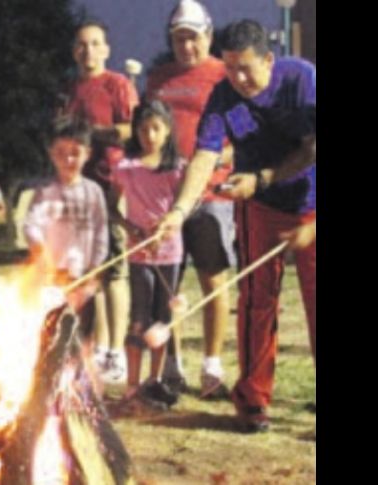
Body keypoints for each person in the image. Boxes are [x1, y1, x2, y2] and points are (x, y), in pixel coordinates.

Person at [155, 19, 316, 432]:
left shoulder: (301, 79)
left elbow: (313, 147)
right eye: (229, 67)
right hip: (259, 207)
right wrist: (177, 213)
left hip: (310, 203)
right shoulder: (224, 97)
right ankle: (252, 401)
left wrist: (263, 177)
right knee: (256, 301)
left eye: (245, 67)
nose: (238, 78)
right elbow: (205, 157)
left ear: (268, 59)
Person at [145, 0, 234, 397]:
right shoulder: (158, 79)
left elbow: (242, 131)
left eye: (194, 39)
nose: (187, 47)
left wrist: (217, 161)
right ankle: (171, 366)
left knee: (213, 279)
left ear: (208, 37)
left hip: (212, 193)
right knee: (169, 285)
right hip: (166, 197)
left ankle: (212, 365)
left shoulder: (223, 75)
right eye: (179, 39)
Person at [61, 20, 139, 384]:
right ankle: (91, 347)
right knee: (87, 273)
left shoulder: (117, 85)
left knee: (114, 271)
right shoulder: (69, 90)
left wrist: (89, 134)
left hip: (111, 186)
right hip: (78, 189)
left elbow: (131, 130)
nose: (88, 51)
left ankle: (116, 352)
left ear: (106, 49)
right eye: (81, 45)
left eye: (95, 44)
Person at [110, 101, 185, 409]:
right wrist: (132, 229)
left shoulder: (179, 169)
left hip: (170, 253)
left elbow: (184, 205)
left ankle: (153, 382)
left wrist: (167, 227)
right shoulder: (126, 168)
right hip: (139, 253)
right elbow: (112, 207)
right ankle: (131, 384)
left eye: (156, 128)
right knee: (139, 318)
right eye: (143, 129)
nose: (149, 135)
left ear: (167, 131)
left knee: (162, 319)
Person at [23, 117, 108, 331]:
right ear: (51, 154)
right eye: (61, 153)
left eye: (75, 153)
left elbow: (101, 232)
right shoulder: (45, 192)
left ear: (87, 154)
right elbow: (31, 225)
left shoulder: (93, 192)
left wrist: (95, 267)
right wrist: (40, 251)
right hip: (52, 276)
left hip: (83, 274)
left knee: (82, 331)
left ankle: (81, 364)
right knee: (51, 330)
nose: (68, 159)